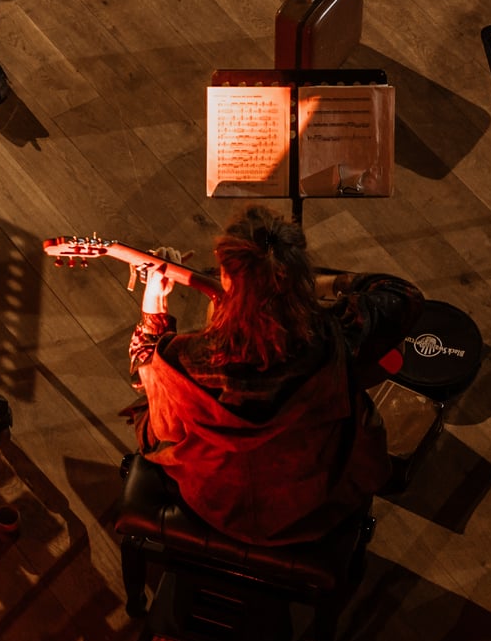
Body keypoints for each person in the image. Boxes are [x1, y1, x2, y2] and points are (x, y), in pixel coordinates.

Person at [127, 206, 421, 546]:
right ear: (296, 277)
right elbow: (404, 295)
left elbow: (148, 391)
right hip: (315, 504)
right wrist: (327, 284)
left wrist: (154, 304)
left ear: (225, 278)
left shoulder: (184, 359)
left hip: (216, 503)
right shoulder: (335, 335)